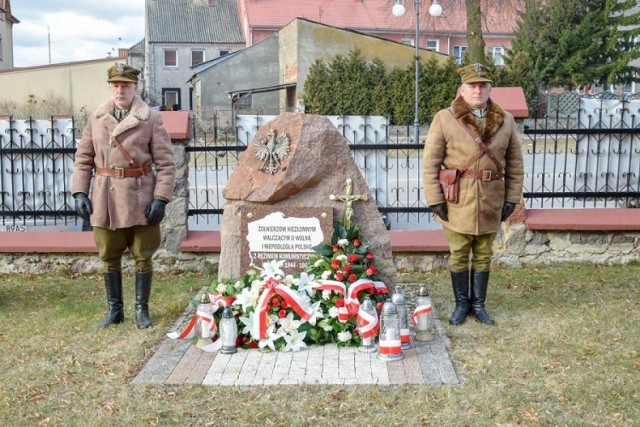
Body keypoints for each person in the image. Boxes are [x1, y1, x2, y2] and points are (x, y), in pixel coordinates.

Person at [72, 63, 177, 329]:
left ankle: (142, 310)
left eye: (126, 85)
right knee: (108, 253)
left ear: (135, 87)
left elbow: (166, 163)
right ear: (110, 88)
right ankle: (114, 311)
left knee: (143, 253)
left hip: (140, 196)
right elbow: (83, 159)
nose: (120, 90)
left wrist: (161, 198)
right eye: (116, 85)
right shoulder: (96, 118)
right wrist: (80, 191)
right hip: (105, 197)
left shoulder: (151, 118)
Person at [422, 63, 524, 326]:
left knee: (483, 254)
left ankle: (479, 306)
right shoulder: (444, 118)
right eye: (472, 86)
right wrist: (435, 200)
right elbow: (430, 164)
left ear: (490, 89)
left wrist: (512, 198)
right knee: (458, 253)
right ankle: (461, 305)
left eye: (482, 85)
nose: (477, 90)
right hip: (457, 199)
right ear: (462, 90)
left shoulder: (506, 120)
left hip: (492, 198)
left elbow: (515, 164)